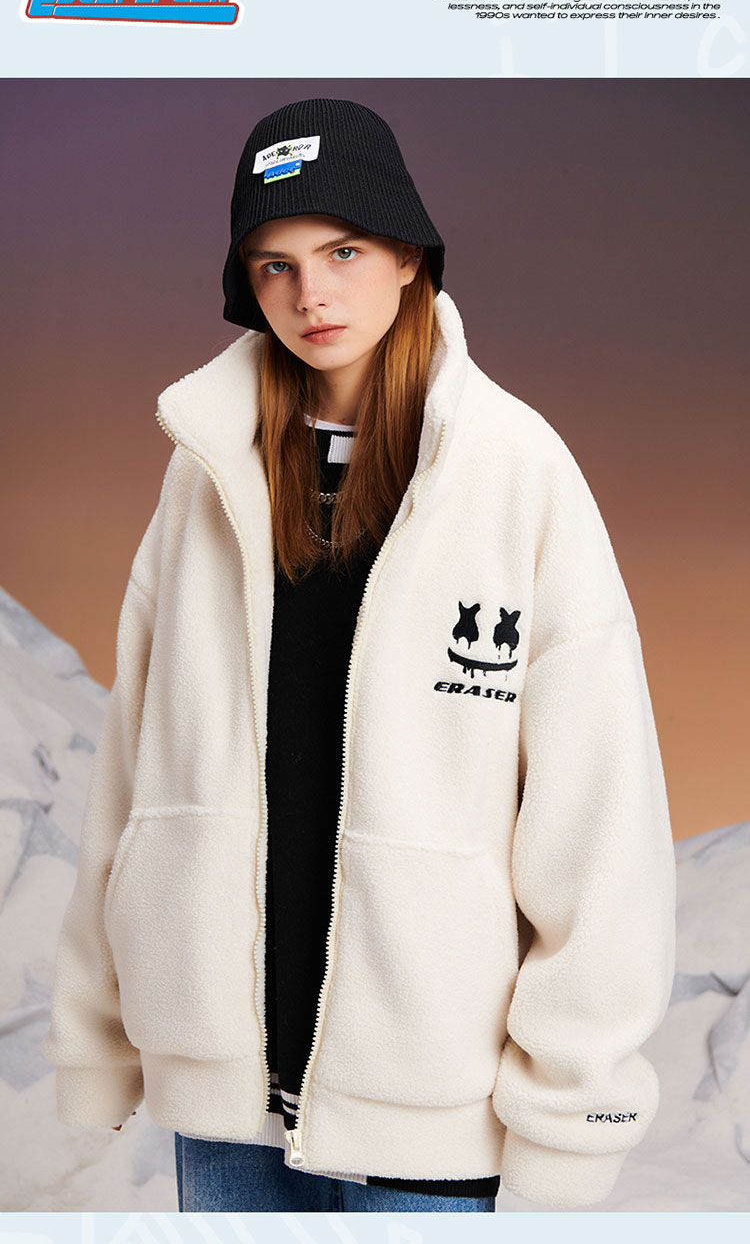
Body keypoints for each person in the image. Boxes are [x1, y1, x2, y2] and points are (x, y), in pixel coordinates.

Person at [41, 98, 677, 1213]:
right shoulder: (207, 471)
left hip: (430, 1101)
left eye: (342, 252)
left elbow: (599, 813)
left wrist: (577, 1104)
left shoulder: (514, 472)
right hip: (225, 1099)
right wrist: (101, 1037)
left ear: (409, 257)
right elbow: (133, 775)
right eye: (275, 265)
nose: (311, 295)